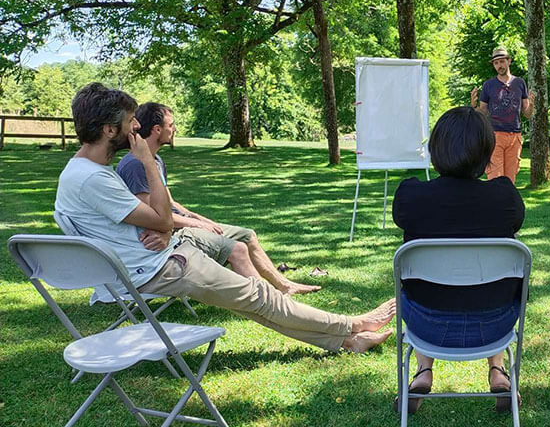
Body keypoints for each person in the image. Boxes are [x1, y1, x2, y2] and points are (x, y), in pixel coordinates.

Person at [55, 82, 393, 353]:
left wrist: (163, 225)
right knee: (259, 297)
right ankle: (354, 324)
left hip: (150, 258)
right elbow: (162, 218)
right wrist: (146, 164)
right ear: (111, 130)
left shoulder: (85, 171)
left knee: (253, 302)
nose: (138, 127)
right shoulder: (93, 178)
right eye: (131, 122)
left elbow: (153, 220)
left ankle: (347, 342)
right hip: (158, 268)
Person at [392, 106, 525, 412]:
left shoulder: (410, 196)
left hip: (427, 326)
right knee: (495, 274)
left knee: (422, 282)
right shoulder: (504, 197)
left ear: (436, 148)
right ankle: (498, 369)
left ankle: (423, 371)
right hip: (495, 326)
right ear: (485, 151)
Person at [116, 102, 319, 296]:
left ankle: (284, 286)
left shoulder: (156, 159)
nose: (175, 129)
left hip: (182, 226)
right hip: (169, 236)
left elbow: (171, 204)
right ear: (157, 129)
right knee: (237, 248)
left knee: (247, 235)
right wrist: (196, 224)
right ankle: (268, 300)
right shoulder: (136, 165)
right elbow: (151, 216)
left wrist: (202, 220)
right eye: (171, 125)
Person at [470, 46, 535, 184]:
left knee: (510, 181)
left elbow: (527, 114)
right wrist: (474, 105)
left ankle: (508, 206)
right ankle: (494, 205)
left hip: (515, 137)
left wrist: (532, 104)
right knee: (495, 179)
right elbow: (483, 112)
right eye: (496, 63)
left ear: (509, 61)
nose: (499, 65)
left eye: (502, 61)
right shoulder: (488, 85)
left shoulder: (520, 83)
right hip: (495, 136)